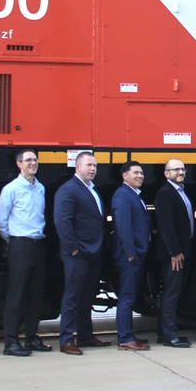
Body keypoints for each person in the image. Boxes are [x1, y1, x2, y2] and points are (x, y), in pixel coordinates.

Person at [0, 149, 51, 357]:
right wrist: (14, 240)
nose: (32, 163)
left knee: (35, 295)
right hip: (20, 245)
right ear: (19, 164)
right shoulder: (11, 189)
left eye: (35, 160)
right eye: (28, 160)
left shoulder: (40, 188)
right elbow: (0, 220)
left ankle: (31, 337)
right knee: (16, 295)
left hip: (38, 244)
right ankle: (10, 342)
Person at [55, 151, 108, 355]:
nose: (93, 169)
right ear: (77, 167)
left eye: (94, 165)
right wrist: (74, 249)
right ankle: (66, 339)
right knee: (72, 296)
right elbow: (63, 221)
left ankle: (85, 335)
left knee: (87, 296)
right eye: (88, 165)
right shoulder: (68, 190)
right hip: (78, 254)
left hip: (93, 252)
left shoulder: (92, 189)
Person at [153, 159, 194, 348]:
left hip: (181, 252)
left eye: (182, 169)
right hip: (173, 255)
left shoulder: (180, 192)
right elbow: (166, 226)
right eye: (175, 169)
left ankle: (164, 333)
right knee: (170, 293)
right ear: (166, 173)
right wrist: (175, 252)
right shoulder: (165, 194)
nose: (180, 172)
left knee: (174, 292)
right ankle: (170, 335)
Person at [111, 161, 151, 351]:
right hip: (130, 256)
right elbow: (123, 226)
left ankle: (128, 335)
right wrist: (130, 254)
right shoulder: (123, 195)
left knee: (130, 295)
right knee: (126, 297)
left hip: (135, 254)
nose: (140, 176)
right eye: (135, 172)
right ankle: (125, 337)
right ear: (124, 175)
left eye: (141, 172)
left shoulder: (133, 195)